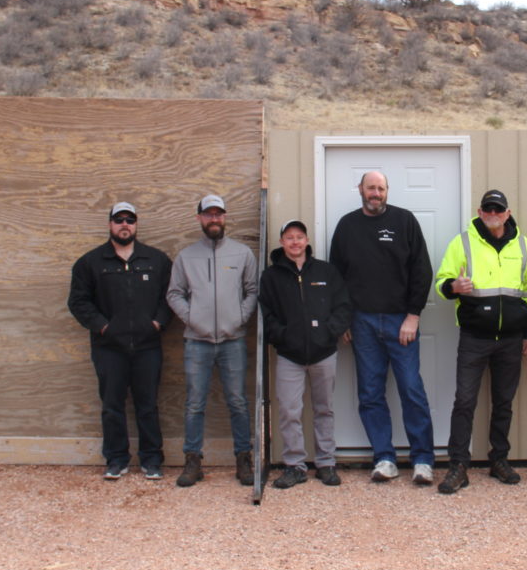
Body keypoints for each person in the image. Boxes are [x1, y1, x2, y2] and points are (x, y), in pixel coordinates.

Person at [328, 171, 435, 485]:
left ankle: (423, 460)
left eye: (381, 188)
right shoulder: (347, 226)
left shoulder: (404, 222)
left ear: (387, 191)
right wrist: (343, 319)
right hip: (362, 322)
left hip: (401, 321)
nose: (376, 193)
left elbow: (422, 270)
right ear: (360, 189)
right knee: (370, 393)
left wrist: (413, 315)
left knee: (411, 390)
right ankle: (384, 458)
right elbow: (336, 277)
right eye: (371, 188)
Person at [432, 189, 527, 494]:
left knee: (504, 403)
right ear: (480, 212)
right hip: (474, 338)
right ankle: (458, 466)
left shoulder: (525, 246)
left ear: (507, 213)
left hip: (511, 340)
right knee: (464, 401)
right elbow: (441, 282)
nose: (494, 213)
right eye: (488, 209)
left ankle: (499, 460)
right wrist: (453, 286)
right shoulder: (462, 242)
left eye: (499, 209)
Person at [68, 201, 173, 481]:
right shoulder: (90, 262)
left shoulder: (156, 260)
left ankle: (151, 460)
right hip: (108, 348)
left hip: (147, 346)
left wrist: (157, 323)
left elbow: (170, 297)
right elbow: (79, 302)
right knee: (112, 404)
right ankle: (116, 459)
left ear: (136, 224)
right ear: (110, 224)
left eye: (130, 219)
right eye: (119, 219)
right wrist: (102, 327)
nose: (124, 224)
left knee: (147, 404)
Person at [167, 194, 258, 487]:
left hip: (233, 340)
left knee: (238, 402)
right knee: (194, 403)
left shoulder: (242, 253)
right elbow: (174, 294)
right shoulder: (186, 256)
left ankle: (243, 459)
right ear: (200, 219)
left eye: (219, 214)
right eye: (209, 214)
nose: (215, 219)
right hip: (197, 342)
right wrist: (194, 319)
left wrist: (239, 319)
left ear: (225, 217)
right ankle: (193, 460)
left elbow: (252, 291)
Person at [258, 219, 352, 489]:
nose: (295, 242)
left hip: (324, 354)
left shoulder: (326, 272)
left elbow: (343, 306)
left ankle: (326, 463)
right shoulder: (271, 277)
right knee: (289, 411)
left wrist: (330, 331)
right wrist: (283, 336)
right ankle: (295, 466)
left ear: (307, 241)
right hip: (290, 356)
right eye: (289, 237)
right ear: (282, 242)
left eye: (299, 237)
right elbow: (267, 314)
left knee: (324, 409)